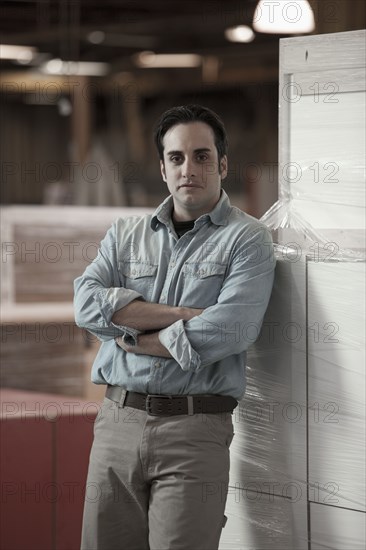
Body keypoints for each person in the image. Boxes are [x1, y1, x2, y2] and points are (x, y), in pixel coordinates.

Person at [74, 104, 275, 550]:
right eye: (177, 158)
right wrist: (184, 317)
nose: (190, 169)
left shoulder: (247, 239)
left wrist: (127, 330)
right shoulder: (125, 235)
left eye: (202, 156)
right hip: (117, 424)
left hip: (194, 430)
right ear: (162, 168)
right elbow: (86, 307)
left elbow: (230, 331)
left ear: (222, 164)